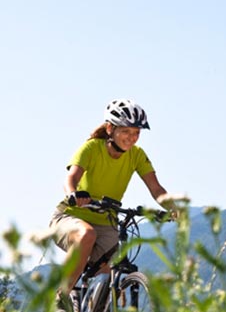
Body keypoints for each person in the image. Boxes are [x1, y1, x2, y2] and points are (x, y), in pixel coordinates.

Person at [50, 99, 174, 291]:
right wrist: (74, 194)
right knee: (87, 234)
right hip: (71, 216)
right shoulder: (92, 148)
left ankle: (98, 309)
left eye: (136, 133)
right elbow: (71, 178)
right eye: (126, 131)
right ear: (110, 129)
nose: (131, 138)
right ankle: (61, 298)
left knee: (109, 274)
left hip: (106, 223)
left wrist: (174, 208)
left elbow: (156, 189)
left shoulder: (137, 155)